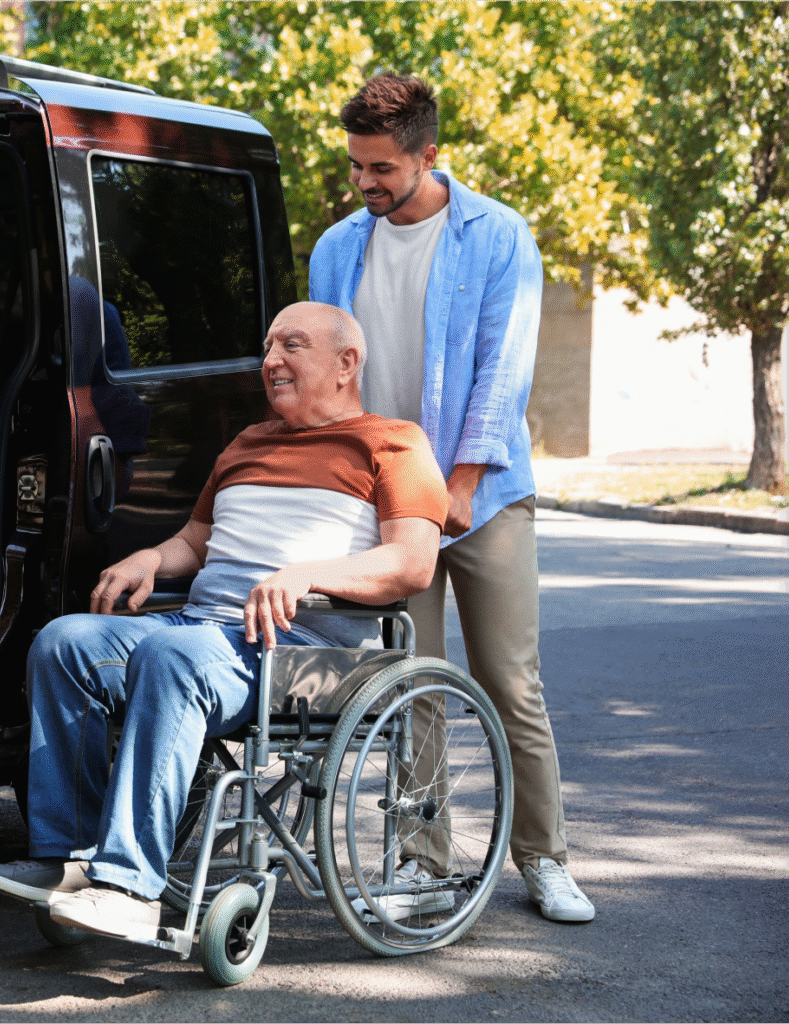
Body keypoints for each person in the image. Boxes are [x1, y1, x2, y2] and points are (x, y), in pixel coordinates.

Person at [0, 301, 449, 939]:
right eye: (268, 347)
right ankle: (69, 860)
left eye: (292, 346)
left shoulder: (393, 443)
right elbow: (197, 541)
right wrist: (152, 556)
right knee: (65, 642)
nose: (271, 361)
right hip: (205, 632)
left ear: (346, 363)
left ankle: (130, 886)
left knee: (176, 659)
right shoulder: (248, 442)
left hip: (303, 653)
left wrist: (309, 573)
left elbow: (412, 564)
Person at [309, 72, 595, 923]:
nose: (366, 185)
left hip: (486, 496)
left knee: (512, 681)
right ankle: (422, 863)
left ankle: (545, 859)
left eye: (382, 170)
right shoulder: (337, 248)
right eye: (357, 167)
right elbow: (330, 381)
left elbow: (504, 375)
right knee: (411, 682)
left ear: (429, 156)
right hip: (388, 501)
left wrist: (461, 485)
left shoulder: (497, 236)